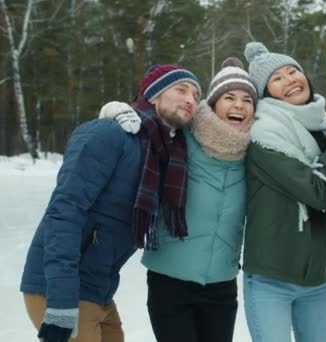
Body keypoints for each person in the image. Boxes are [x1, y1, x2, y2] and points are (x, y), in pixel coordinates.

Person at [19, 64, 201, 342]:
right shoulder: (110, 133)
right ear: (152, 96)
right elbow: (64, 213)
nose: (191, 99)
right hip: (59, 289)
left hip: (98, 290)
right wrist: (61, 302)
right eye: (181, 90)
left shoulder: (167, 153)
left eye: (197, 95)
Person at [99, 58, 258, 342]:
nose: (239, 105)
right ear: (212, 104)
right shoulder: (180, 137)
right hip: (170, 281)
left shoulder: (257, 154)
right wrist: (116, 110)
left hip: (222, 285)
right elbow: (147, 117)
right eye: (229, 97)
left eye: (247, 100)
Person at [241, 41, 326, 342]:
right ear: (265, 93)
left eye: (293, 71)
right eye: (277, 78)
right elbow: (319, 192)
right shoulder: (264, 136)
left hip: (319, 279)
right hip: (271, 280)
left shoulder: (325, 126)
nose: (290, 79)